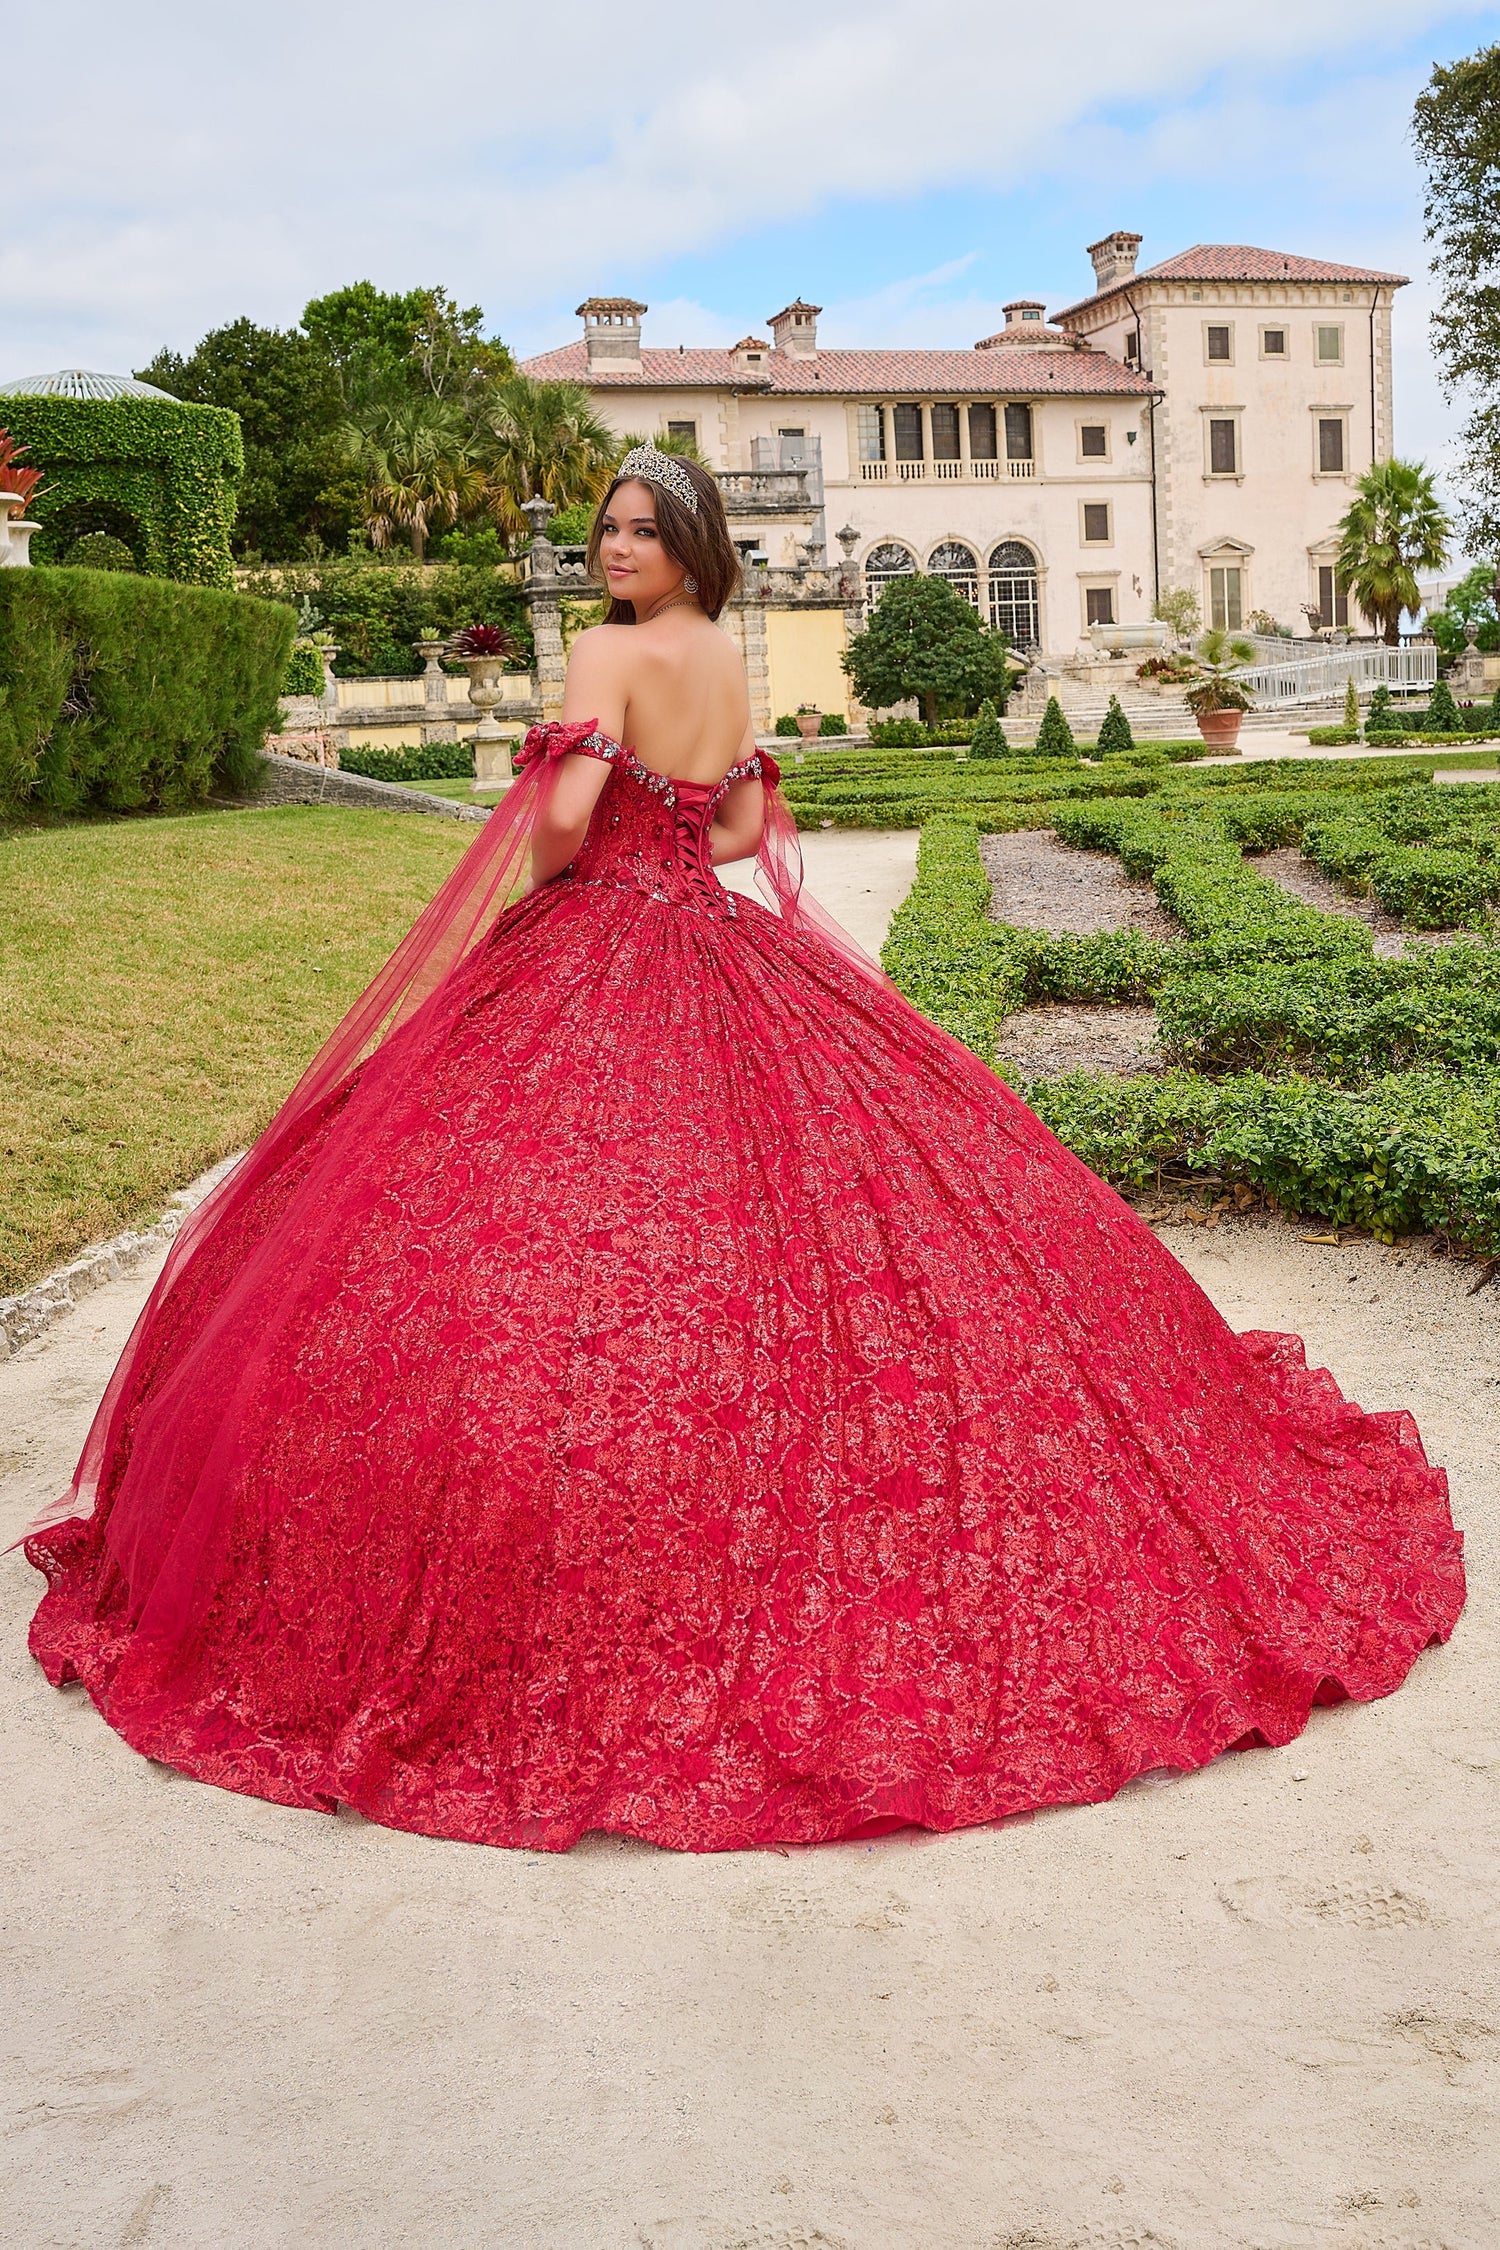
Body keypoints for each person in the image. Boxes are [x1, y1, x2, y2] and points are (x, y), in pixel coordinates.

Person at [25, 448, 1464, 1854]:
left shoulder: (605, 659)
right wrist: (652, 841)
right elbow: (737, 829)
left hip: (599, 942)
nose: (614, 548)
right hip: (714, 948)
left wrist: (568, 839)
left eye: (639, 530)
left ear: (686, 541)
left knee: (508, 1237)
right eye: (607, 526)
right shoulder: (726, 653)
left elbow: (564, 830)